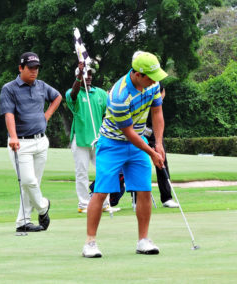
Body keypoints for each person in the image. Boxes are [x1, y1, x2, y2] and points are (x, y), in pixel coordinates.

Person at [82, 51, 168, 258]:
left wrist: (159, 143)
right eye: (151, 76)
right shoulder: (119, 95)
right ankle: (90, 243)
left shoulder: (153, 85)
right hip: (112, 144)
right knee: (102, 192)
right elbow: (128, 132)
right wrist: (151, 152)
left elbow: (157, 113)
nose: (155, 81)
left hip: (139, 143)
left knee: (144, 190)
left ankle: (143, 240)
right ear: (138, 74)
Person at [0, 52, 62, 232]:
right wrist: (13, 136)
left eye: (36, 68)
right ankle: (43, 206)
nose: (34, 72)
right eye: (30, 68)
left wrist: (46, 116)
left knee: (32, 184)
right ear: (21, 68)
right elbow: (8, 114)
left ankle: (23, 222)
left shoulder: (41, 86)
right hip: (21, 143)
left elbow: (57, 97)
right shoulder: (9, 89)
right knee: (28, 181)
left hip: (41, 141)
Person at [65, 62, 120, 214]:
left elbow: (109, 112)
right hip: (81, 139)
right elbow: (73, 95)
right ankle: (83, 204)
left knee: (104, 171)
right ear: (78, 75)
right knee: (82, 172)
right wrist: (78, 77)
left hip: (99, 140)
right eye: (85, 74)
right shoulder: (73, 92)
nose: (88, 77)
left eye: (90, 74)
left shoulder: (100, 93)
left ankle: (105, 204)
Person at [144, 85, 179, 208]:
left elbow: (158, 119)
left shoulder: (159, 100)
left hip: (153, 132)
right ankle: (137, 199)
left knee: (161, 160)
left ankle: (166, 198)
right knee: (137, 162)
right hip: (137, 131)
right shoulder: (142, 96)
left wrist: (158, 143)